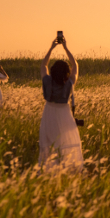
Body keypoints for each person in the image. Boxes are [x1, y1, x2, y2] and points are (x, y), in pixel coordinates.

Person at [38, 35, 84, 169]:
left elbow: (43, 65)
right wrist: (65, 47)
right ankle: (69, 169)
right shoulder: (69, 83)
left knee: (49, 142)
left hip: (49, 113)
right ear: (66, 73)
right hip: (64, 113)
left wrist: (52, 48)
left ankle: (49, 169)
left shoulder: (47, 81)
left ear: (52, 71)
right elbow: (75, 64)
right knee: (66, 142)